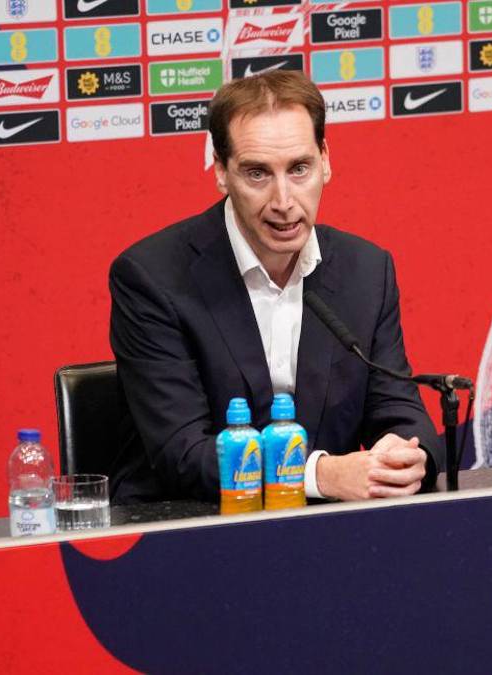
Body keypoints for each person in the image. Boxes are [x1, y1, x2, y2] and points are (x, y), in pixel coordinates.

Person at [109, 70, 437, 503]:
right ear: (221, 171)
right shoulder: (153, 278)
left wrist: (407, 455)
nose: (283, 201)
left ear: (325, 160)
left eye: (299, 169)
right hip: (192, 523)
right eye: (257, 174)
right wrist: (320, 475)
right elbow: (182, 453)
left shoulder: (366, 271)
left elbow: (399, 409)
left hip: (327, 527)